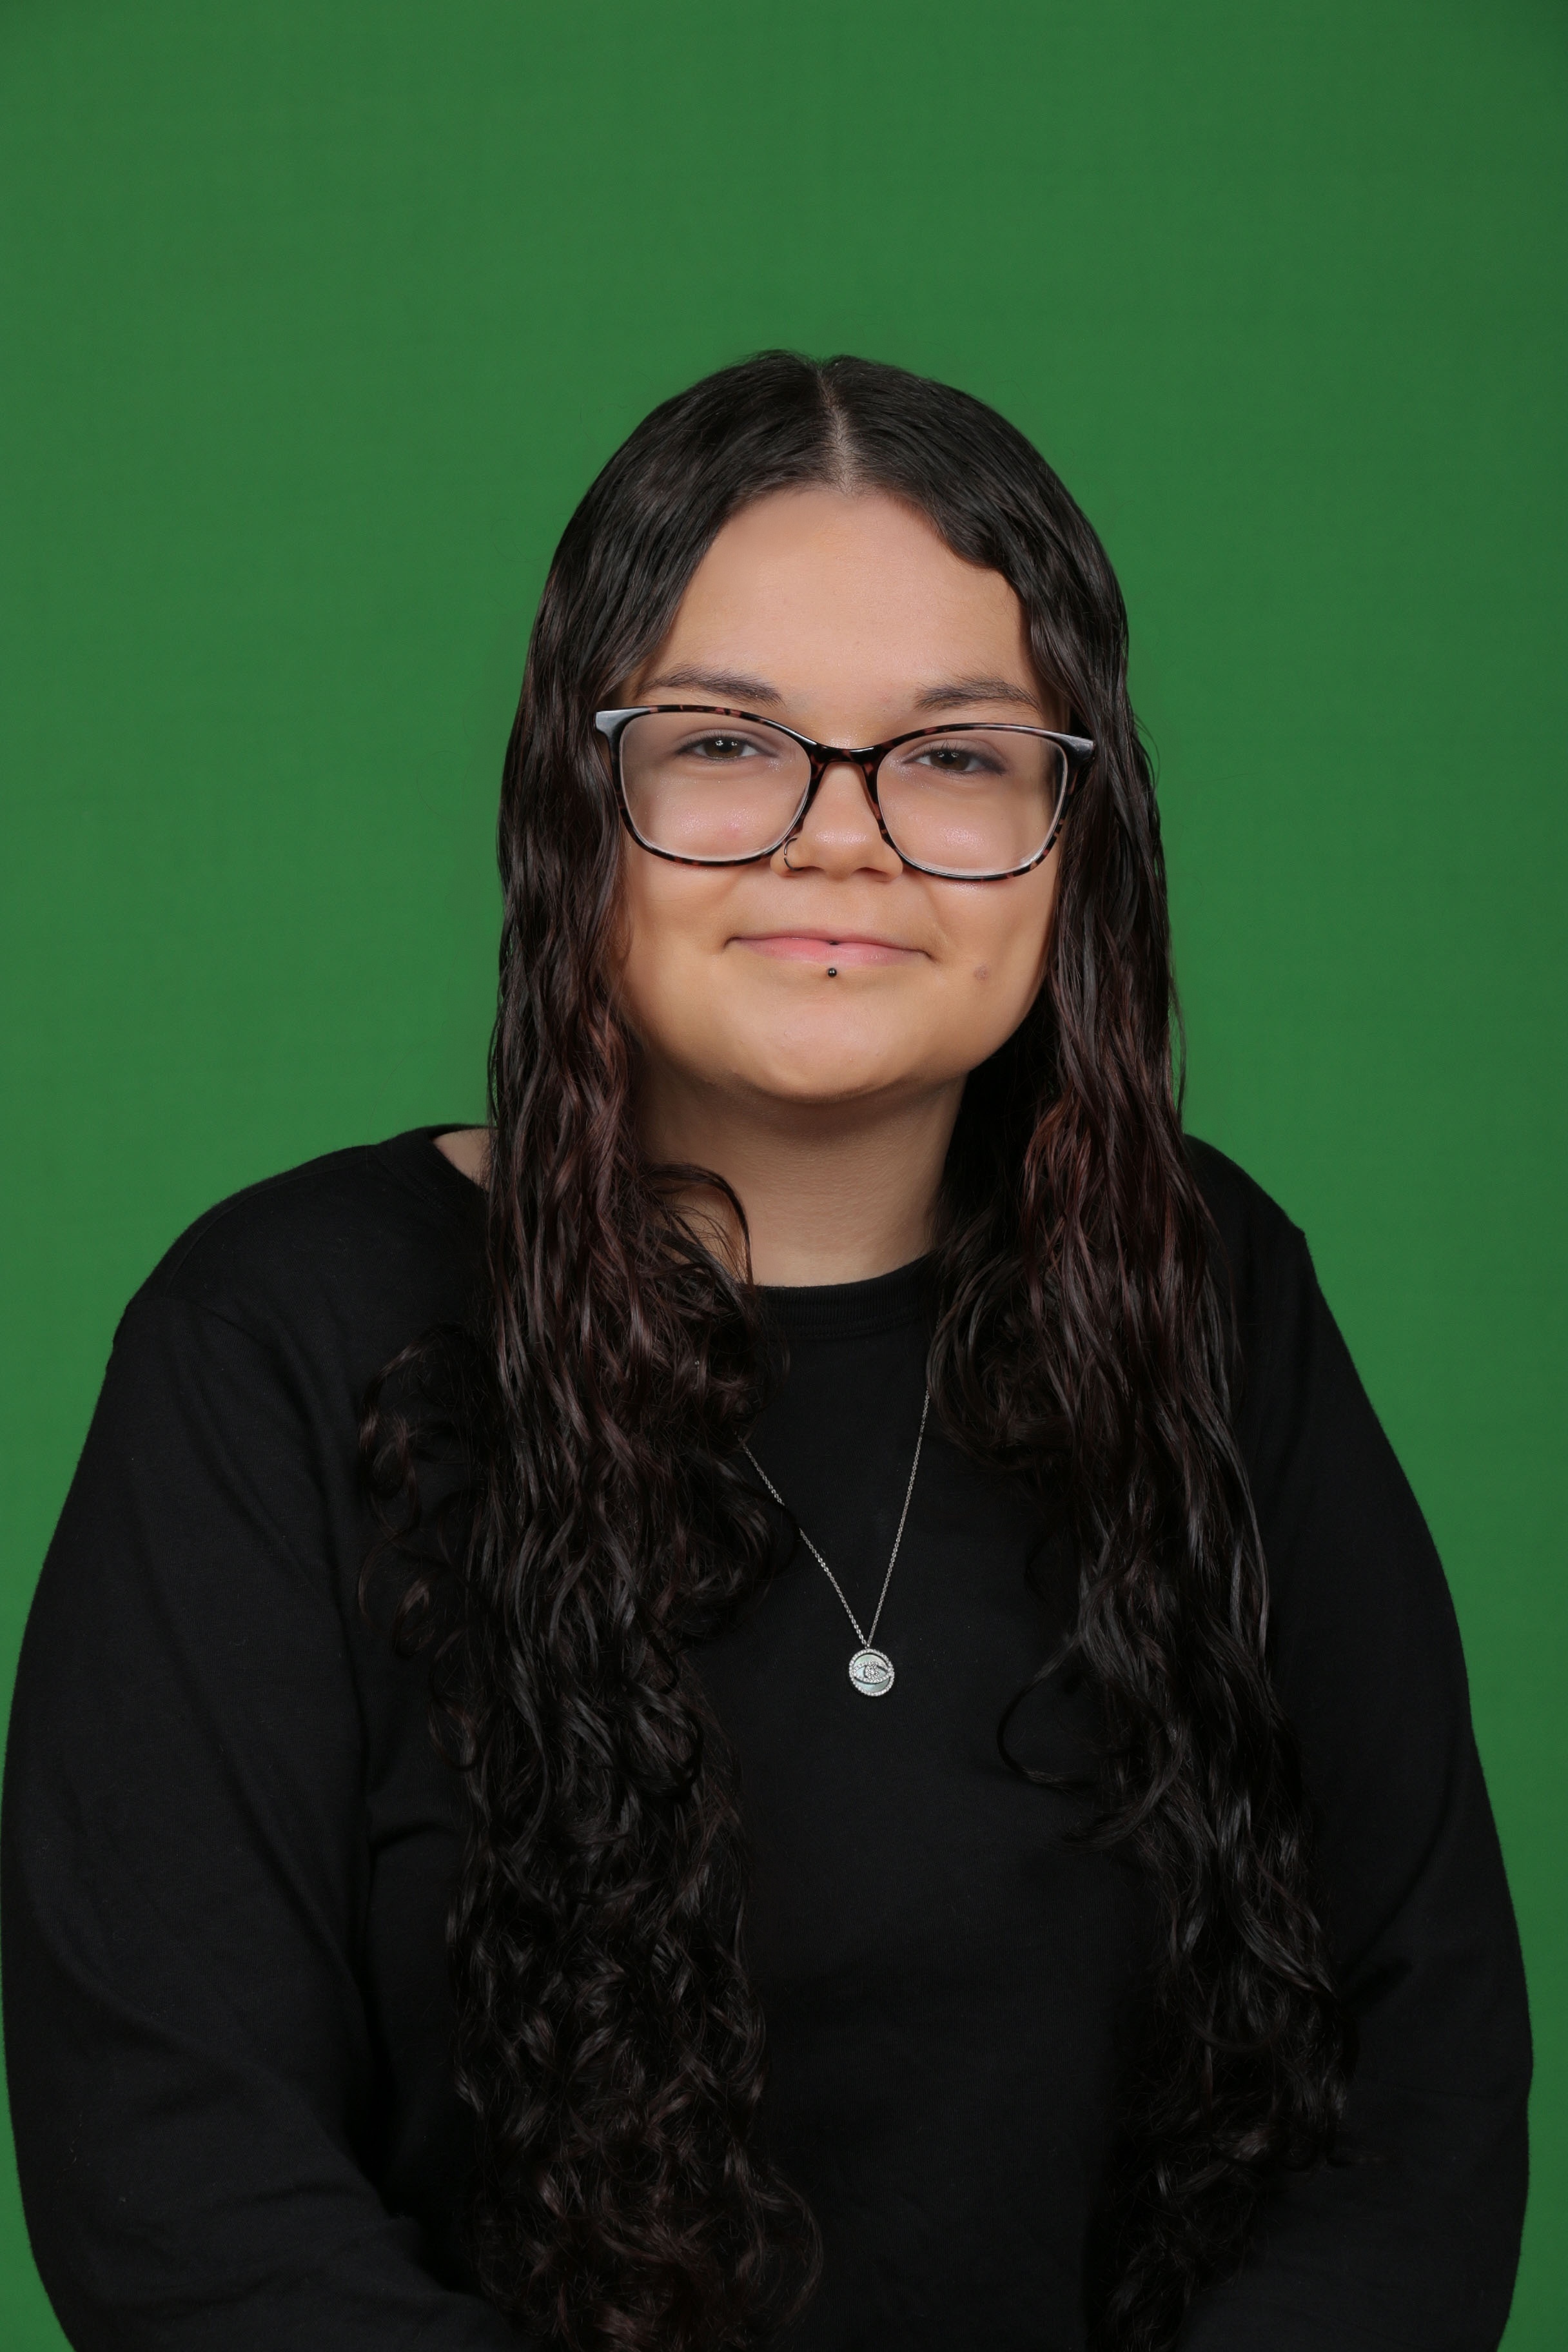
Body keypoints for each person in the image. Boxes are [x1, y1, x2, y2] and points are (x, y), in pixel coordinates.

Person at [2, 353, 1530, 2352]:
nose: (843, 837)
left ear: (1076, 832)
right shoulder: (270, 1342)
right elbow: (181, 2192)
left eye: (957, 754)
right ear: (579, 796)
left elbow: (1418, 2092)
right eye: (728, 742)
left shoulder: (1211, 1294)